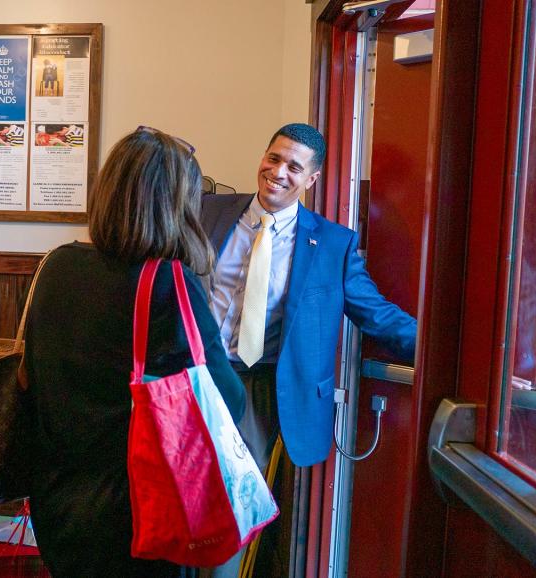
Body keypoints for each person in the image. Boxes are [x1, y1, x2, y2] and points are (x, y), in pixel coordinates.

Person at [24, 127, 247, 578]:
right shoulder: (169, 283)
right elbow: (227, 402)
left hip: (56, 501)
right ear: (176, 206)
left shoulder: (56, 265)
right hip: (136, 514)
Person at [200, 123, 417, 577]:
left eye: (293, 167)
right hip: (194, 376)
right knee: (176, 487)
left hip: (256, 390)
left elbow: (376, 313)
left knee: (235, 503)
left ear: (311, 179)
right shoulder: (207, 211)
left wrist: (444, 356)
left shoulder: (333, 244)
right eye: (273, 158)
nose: (278, 172)